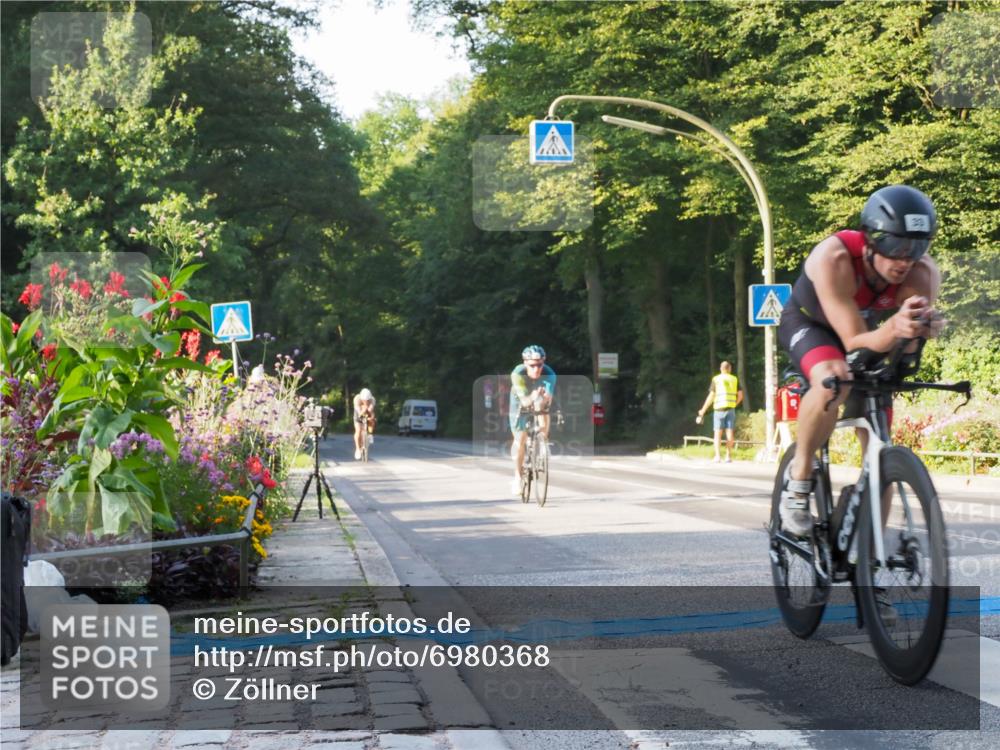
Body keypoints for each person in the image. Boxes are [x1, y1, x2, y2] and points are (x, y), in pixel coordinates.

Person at [777, 185, 944, 537]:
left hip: (867, 330)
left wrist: (918, 333)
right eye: (896, 247)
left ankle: (870, 559)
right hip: (812, 325)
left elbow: (904, 349)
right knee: (833, 379)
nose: (904, 260)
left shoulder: (922, 272)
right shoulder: (834, 258)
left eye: (916, 248)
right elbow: (852, 341)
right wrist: (897, 329)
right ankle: (800, 478)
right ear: (871, 240)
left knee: (879, 437)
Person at [509, 345, 556, 495]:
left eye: (539, 365)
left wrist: (543, 399)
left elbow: (547, 401)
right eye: (532, 365)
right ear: (525, 363)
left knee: (543, 409)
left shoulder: (549, 374)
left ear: (544, 363)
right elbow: (524, 402)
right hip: (520, 399)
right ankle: (517, 476)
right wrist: (533, 396)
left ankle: (543, 441)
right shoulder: (518, 374)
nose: (536, 369)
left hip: (538, 396)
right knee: (520, 439)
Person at [696, 361, 744, 462]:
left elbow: (711, 396)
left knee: (717, 434)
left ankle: (717, 456)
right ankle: (728, 456)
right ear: (729, 368)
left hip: (718, 410)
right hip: (730, 409)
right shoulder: (734, 379)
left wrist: (703, 410)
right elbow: (740, 395)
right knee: (729, 433)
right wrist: (734, 404)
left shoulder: (716, 379)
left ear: (721, 368)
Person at [353, 388, 376, 460]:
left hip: (368, 412)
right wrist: (364, 409)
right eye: (364, 400)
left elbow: (371, 411)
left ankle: (370, 434)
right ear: (361, 398)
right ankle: (357, 449)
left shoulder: (372, 400)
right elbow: (359, 413)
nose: (366, 401)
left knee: (372, 420)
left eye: (368, 400)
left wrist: (370, 418)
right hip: (359, 413)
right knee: (358, 430)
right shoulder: (357, 399)